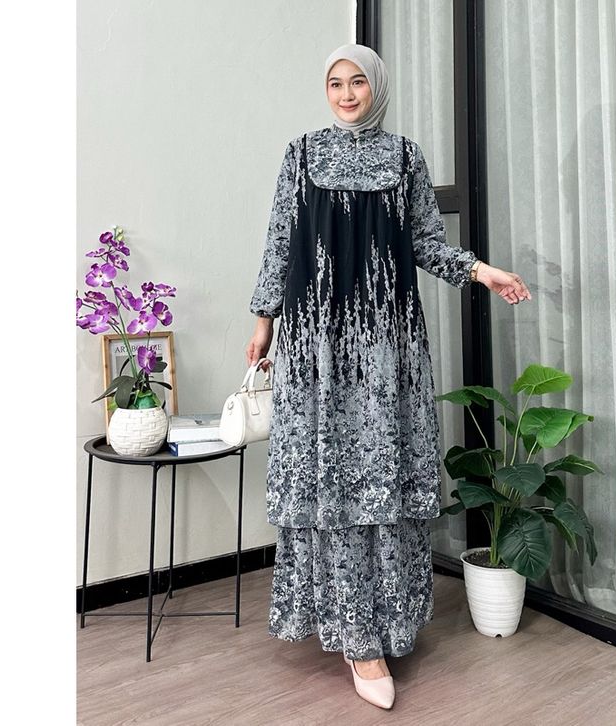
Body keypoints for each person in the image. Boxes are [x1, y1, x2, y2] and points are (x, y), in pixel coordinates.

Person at [245, 43, 532, 710]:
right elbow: (280, 243)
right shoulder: (301, 154)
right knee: (332, 478)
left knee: (383, 472)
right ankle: (357, 638)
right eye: (335, 83)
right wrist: (263, 322)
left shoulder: (404, 157)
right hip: (318, 344)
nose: (347, 94)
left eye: (358, 82)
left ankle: (389, 620)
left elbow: (426, 242)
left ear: (376, 87)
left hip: (388, 345)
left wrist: (481, 271)